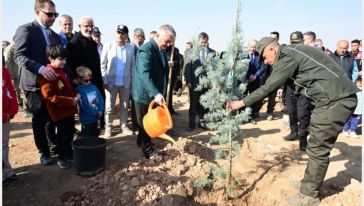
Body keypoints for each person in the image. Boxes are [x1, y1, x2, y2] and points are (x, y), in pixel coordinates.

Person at [226, 37, 358, 205]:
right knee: (316, 143)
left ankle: (309, 196)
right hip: (331, 99)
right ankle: (309, 184)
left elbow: (269, 87)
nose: (265, 62)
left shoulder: (287, 56)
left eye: (265, 57)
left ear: (273, 50)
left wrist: (240, 103)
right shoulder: (293, 52)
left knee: (318, 147)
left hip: (335, 100)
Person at [14, 0, 62, 166]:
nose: (53, 18)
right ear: (37, 12)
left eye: (55, 14)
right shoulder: (26, 30)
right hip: (34, 84)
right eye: (49, 14)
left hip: (51, 84)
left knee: (51, 117)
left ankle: (52, 145)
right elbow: (19, 56)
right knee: (39, 119)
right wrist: (40, 69)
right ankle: (43, 152)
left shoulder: (54, 35)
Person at [131, 24, 176, 159]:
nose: (168, 44)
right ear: (157, 35)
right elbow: (144, 74)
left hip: (153, 92)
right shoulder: (146, 50)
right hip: (144, 94)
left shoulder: (160, 49)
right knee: (145, 123)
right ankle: (148, 151)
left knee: (146, 122)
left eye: (170, 42)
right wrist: (156, 93)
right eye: (166, 41)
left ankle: (142, 142)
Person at [39, 45, 79, 169]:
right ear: (51, 59)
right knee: (62, 137)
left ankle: (69, 153)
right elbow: (50, 97)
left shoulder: (62, 70)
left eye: (65, 59)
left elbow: (68, 87)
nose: (64, 62)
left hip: (69, 110)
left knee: (69, 133)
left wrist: (76, 94)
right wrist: (71, 101)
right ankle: (62, 158)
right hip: (60, 112)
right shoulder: (48, 74)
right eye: (61, 59)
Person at [67, 16, 105, 129]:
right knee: (87, 109)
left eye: (91, 26)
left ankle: (95, 130)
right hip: (84, 85)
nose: (89, 28)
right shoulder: (74, 43)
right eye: (86, 26)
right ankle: (88, 136)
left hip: (94, 83)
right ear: (79, 27)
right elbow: (72, 65)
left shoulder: (91, 41)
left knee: (95, 106)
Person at [101, 24, 135, 138]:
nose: (120, 35)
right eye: (118, 33)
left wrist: (132, 81)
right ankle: (108, 127)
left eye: (123, 33)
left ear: (127, 35)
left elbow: (133, 66)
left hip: (125, 83)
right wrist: (104, 80)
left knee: (124, 106)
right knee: (109, 107)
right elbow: (103, 65)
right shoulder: (108, 46)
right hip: (111, 83)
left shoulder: (131, 47)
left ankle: (124, 125)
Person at [282, 31, 313, 151]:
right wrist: (281, 89)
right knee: (292, 112)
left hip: (303, 90)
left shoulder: (309, 54)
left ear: (303, 42)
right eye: (292, 42)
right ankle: (293, 133)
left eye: (297, 42)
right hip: (290, 88)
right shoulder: (287, 54)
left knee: (303, 115)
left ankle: (303, 139)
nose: (295, 45)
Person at [184, 32, 216, 131]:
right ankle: (191, 125)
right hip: (194, 82)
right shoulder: (190, 52)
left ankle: (202, 123)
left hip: (207, 83)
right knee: (193, 104)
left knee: (204, 104)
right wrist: (188, 81)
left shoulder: (212, 52)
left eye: (205, 42)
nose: (203, 44)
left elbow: (214, 68)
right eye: (202, 42)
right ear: (198, 41)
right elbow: (187, 67)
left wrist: (213, 82)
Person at [76, 66, 105, 137]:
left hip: (96, 118)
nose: (89, 82)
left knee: (95, 135)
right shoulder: (79, 90)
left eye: (90, 80)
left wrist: (101, 109)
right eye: (86, 80)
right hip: (87, 120)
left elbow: (101, 98)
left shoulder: (94, 87)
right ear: (79, 79)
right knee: (87, 137)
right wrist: (96, 112)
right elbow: (85, 105)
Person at [3, 64, 19, 182]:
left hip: (6, 116)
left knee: (4, 145)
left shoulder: (3, 70)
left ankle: (6, 171)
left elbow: (10, 90)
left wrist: (12, 110)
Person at [244, 39, 267, 124]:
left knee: (254, 98)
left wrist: (255, 76)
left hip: (255, 80)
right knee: (243, 97)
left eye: (254, 47)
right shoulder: (242, 55)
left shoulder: (259, 55)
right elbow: (242, 67)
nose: (253, 49)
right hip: (245, 80)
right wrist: (249, 75)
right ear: (248, 46)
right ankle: (243, 116)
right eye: (251, 47)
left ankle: (252, 116)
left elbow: (263, 67)